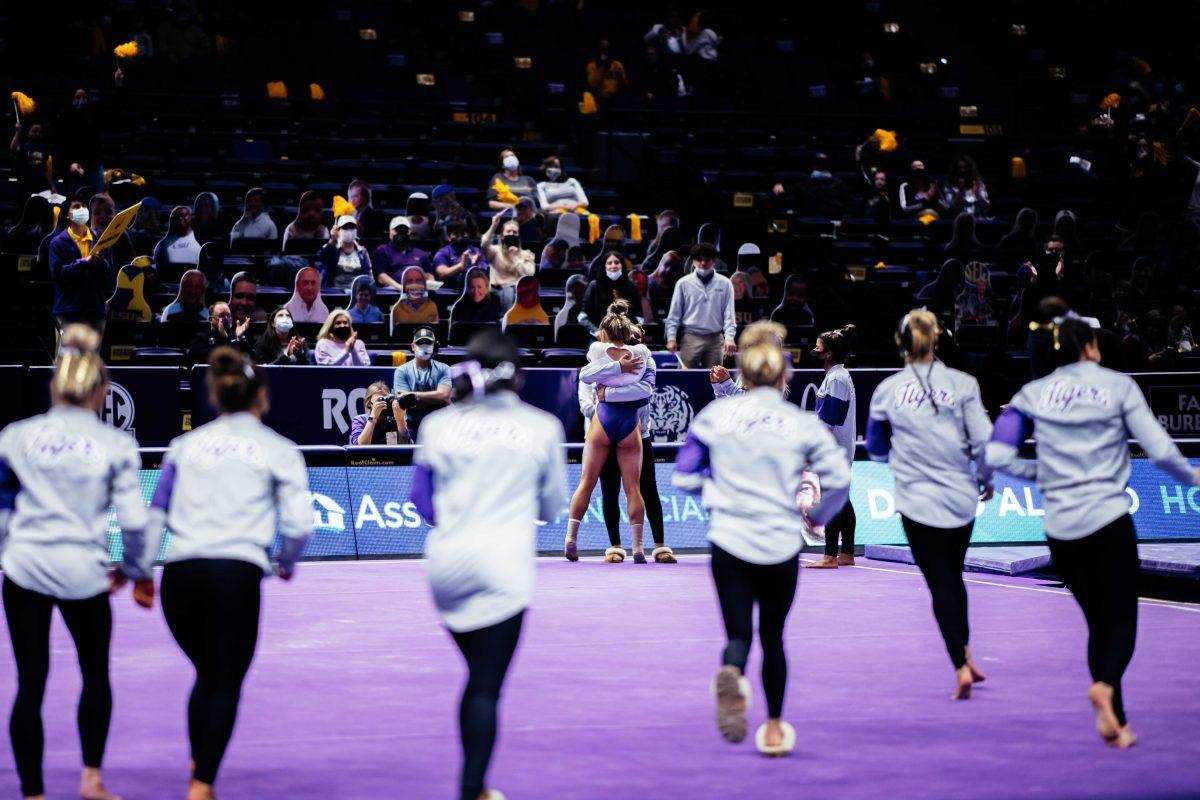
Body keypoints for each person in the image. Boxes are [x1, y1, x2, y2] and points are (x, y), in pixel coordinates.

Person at [985, 315, 1200, 749]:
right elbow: (1159, 450)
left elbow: (995, 453)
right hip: (1108, 522)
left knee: (1098, 622)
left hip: (1061, 532)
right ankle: (1104, 688)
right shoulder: (1118, 386)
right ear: (1092, 348)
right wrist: (1195, 480)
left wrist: (1038, 471)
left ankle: (1115, 721)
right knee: (1119, 621)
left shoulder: (1032, 393)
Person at [144, 347, 313, 800]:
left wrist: (140, 569)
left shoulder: (184, 445)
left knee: (207, 673)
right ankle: (201, 785)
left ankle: (200, 762)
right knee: (224, 681)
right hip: (234, 575)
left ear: (216, 396)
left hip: (179, 578)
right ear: (263, 395)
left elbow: (155, 514)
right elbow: (299, 526)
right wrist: (286, 563)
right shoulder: (279, 450)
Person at [673, 330, 850, 755]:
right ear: (784, 374)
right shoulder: (802, 422)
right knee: (773, 636)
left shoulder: (716, 417)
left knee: (738, 635)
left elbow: (683, 476)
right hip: (779, 542)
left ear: (743, 372)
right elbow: (840, 478)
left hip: (730, 540)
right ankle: (773, 728)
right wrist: (818, 517)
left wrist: (717, 499)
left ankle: (733, 669)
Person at [410, 329, 565, 800]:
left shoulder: (437, 426)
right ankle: (472, 788)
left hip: (446, 567)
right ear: (517, 376)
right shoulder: (542, 427)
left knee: (477, 675)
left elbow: (422, 504)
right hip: (503, 568)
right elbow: (552, 507)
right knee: (485, 686)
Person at [0, 325, 153, 800]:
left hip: (25, 568)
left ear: (54, 386)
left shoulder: (15, 436)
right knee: (95, 675)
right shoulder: (116, 445)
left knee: (30, 682)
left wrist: (10, 552)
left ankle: (32, 793)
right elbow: (132, 521)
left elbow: (3, 509)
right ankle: (92, 780)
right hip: (84, 572)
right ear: (102, 393)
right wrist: (134, 571)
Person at [865, 310, 995, 698]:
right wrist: (986, 479)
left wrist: (902, 455)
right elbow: (986, 441)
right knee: (953, 576)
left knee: (941, 581)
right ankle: (968, 653)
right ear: (938, 339)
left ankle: (959, 665)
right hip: (960, 498)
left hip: (917, 499)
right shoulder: (965, 383)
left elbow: (874, 448)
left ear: (900, 343)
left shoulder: (888, 389)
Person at [582, 318, 677, 564]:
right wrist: (606, 404)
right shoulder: (594, 360)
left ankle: (659, 545)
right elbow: (588, 397)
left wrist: (608, 394)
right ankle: (615, 546)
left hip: (639, 433)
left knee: (649, 488)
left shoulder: (646, 359)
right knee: (609, 490)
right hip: (604, 434)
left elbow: (645, 391)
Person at [564, 301, 652, 562]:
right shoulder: (642, 354)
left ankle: (570, 539)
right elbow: (644, 389)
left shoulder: (597, 350)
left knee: (586, 483)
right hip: (629, 424)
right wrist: (622, 367)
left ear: (603, 333)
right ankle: (637, 547)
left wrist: (613, 370)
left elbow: (585, 375)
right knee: (633, 489)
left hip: (602, 421)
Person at [806, 325, 859, 569]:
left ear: (827, 354)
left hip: (833, 451)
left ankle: (830, 556)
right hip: (837, 449)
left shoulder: (837, 378)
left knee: (832, 500)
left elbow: (833, 417)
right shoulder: (837, 376)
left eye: (818, 347)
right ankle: (847, 552)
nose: (814, 350)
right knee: (842, 500)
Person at [49, 195, 116, 336]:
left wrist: (101, 263)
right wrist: (83, 263)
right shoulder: (58, 242)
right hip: (68, 309)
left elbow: (110, 274)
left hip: (95, 309)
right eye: (77, 207)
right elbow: (58, 274)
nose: (82, 210)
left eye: (84, 206)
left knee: (92, 358)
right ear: (67, 215)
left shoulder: (101, 240)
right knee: (68, 358)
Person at [665, 243, 737, 368]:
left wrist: (729, 337)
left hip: (715, 338)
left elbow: (729, 314)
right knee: (684, 379)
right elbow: (674, 314)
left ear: (714, 261)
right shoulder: (683, 284)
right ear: (693, 261)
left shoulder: (725, 283)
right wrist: (671, 338)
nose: (703, 263)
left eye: (707, 259)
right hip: (690, 337)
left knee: (715, 380)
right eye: (699, 259)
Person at [392, 326, 452, 439]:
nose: (424, 346)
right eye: (420, 343)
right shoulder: (401, 371)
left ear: (434, 346)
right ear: (413, 346)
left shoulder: (444, 368)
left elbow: (444, 396)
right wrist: (435, 400)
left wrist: (413, 396)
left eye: (428, 343)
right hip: (411, 425)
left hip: (439, 426)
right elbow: (404, 402)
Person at [579, 252, 642, 335]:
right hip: (599, 336)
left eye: (617, 262)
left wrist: (631, 329)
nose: (613, 266)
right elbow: (582, 316)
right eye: (609, 263)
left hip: (626, 336)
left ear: (622, 265)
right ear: (604, 266)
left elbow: (639, 315)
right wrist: (596, 332)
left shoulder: (630, 286)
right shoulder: (594, 286)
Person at [483, 210, 536, 309]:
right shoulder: (494, 251)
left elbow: (529, 273)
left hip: (515, 291)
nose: (511, 234)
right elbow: (484, 245)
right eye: (508, 232)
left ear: (518, 236)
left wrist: (515, 258)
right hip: (495, 289)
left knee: (510, 291)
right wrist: (493, 226)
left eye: (514, 232)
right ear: (502, 236)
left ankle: (507, 318)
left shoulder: (526, 254)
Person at [373, 216, 432, 290]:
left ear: (409, 232)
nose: (401, 233)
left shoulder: (420, 253)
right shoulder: (382, 250)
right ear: (390, 232)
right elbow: (381, 277)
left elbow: (429, 274)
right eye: (398, 230)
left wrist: (430, 285)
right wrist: (400, 288)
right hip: (393, 292)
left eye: (405, 230)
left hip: (418, 292)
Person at [318, 215, 371, 290]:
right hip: (334, 292)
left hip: (356, 294)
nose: (349, 230)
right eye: (345, 227)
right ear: (338, 230)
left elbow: (368, 275)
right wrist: (332, 240)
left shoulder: (362, 252)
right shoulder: (331, 247)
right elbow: (323, 259)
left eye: (352, 227)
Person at [432, 220, 488, 290]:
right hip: (450, 290)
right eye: (456, 234)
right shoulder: (442, 253)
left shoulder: (476, 251)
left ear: (468, 235)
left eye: (463, 234)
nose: (460, 237)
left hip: (473, 289)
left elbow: (485, 273)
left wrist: (474, 266)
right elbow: (442, 273)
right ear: (449, 237)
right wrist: (461, 265)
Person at [349, 381, 410, 445]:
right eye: (380, 400)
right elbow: (360, 446)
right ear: (369, 404)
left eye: (386, 399)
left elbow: (405, 446)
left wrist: (400, 420)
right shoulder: (360, 420)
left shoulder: (394, 420)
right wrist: (373, 418)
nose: (384, 403)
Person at [88, 193, 134, 269]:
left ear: (115, 215)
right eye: (97, 213)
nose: (103, 216)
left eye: (108, 212)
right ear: (91, 216)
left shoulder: (121, 235)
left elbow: (129, 260)